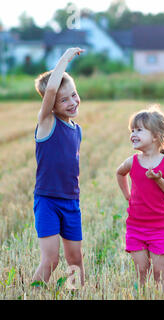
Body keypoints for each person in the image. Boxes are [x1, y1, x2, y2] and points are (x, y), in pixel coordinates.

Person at [32, 47, 85, 287]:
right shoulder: (46, 123)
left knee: (75, 259)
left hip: (71, 202)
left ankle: (77, 292)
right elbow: (52, 88)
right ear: (50, 104)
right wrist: (65, 59)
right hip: (48, 201)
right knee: (51, 260)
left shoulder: (77, 130)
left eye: (74, 95)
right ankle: (33, 293)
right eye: (64, 99)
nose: (72, 102)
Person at [116, 105, 164, 287]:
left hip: (159, 228)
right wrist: (127, 195)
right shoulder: (133, 161)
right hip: (136, 227)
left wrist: (159, 180)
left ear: (155, 136)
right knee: (141, 272)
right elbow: (119, 173)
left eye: (139, 130)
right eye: (132, 130)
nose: (133, 134)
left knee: (160, 275)